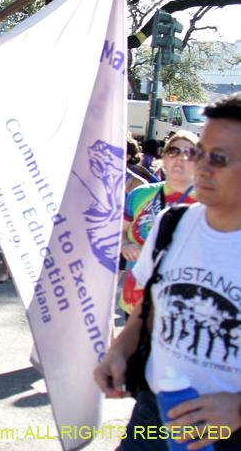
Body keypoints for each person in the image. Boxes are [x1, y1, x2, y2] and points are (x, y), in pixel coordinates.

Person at [93, 93, 241, 450]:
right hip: (153, 413)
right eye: (198, 152)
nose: (200, 167)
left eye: (218, 158)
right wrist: (118, 350)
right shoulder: (171, 224)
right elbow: (150, 306)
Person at [120, 131, 198, 315]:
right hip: (135, 299)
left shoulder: (208, 202)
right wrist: (125, 244)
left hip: (180, 307)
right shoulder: (139, 194)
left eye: (189, 153)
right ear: (164, 157)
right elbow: (121, 231)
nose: (180, 158)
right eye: (174, 151)